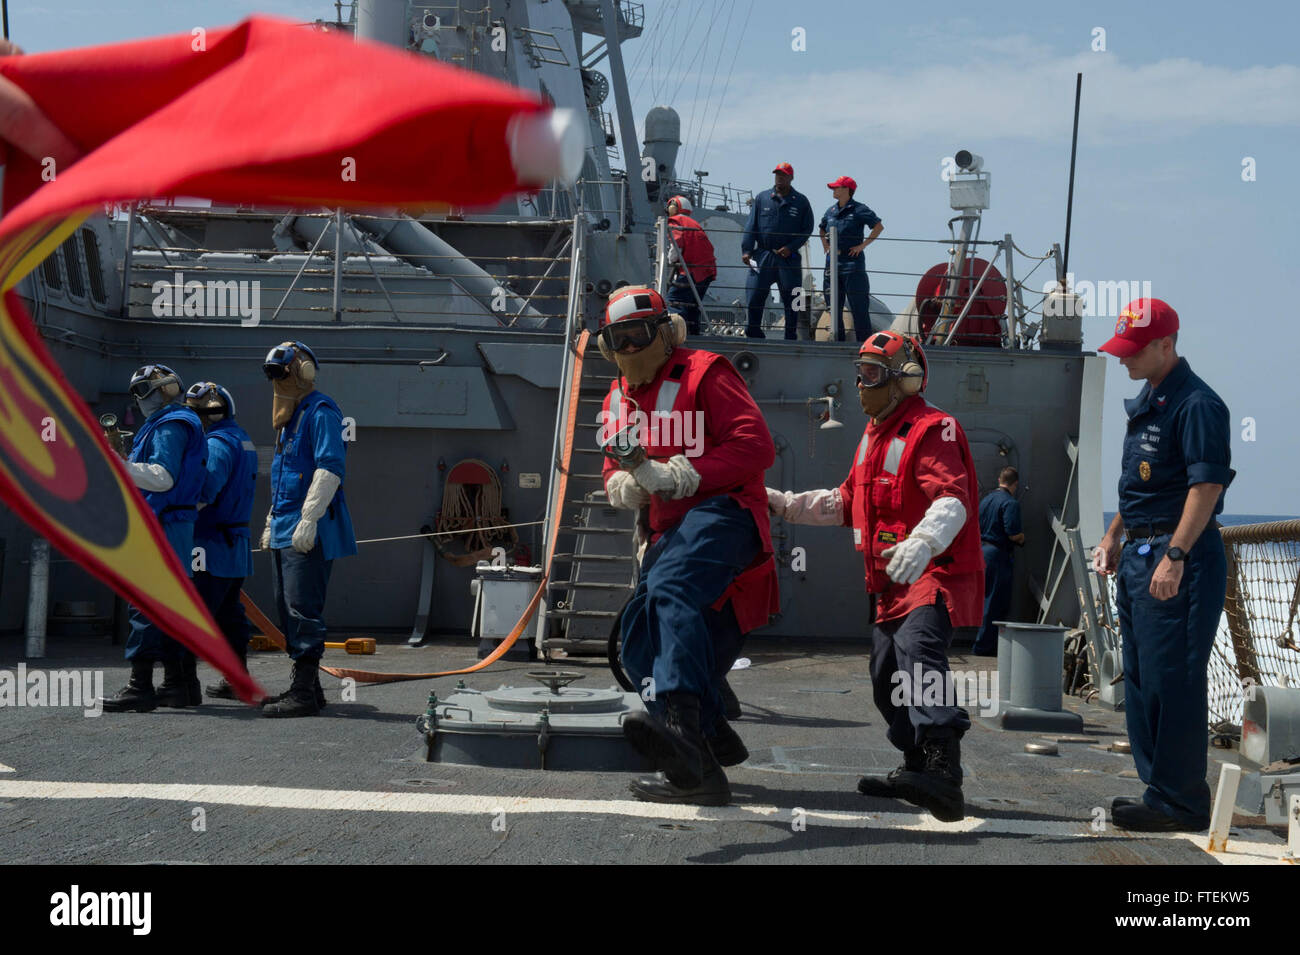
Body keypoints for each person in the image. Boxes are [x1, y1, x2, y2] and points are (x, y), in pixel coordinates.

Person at [767, 331, 983, 821]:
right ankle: (915, 766)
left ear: (904, 379)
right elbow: (847, 501)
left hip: (933, 573)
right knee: (886, 677)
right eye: (859, 373)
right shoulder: (873, 436)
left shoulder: (934, 428)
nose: (861, 385)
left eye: (871, 375)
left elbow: (952, 499)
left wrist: (924, 543)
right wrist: (784, 505)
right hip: (890, 584)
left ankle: (944, 771)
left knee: (919, 651)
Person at [597, 286, 778, 805]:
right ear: (609, 347)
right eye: (619, 339)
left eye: (639, 335)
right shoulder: (617, 398)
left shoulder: (706, 372)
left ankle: (680, 725)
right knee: (633, 642)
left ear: (666, 332)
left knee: (672, 589)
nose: (631, 348)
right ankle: (705, 752)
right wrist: (623, 485)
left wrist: (683, 474)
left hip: (725, 513)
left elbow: (755, 446)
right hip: (668, 531)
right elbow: (614, 464)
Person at [1092, 299, 1233, 832]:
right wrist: (1112, 537)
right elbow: (1142, 486)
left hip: (1178, 561)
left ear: (1165, 346)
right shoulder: (1151, 399)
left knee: (1173, 680)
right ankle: (1160, 793)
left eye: (1132, 351)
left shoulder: (1197, 405)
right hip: (1139, 556)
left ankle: (1182, 800)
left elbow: (1206, 485)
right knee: (1145, 678)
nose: (1123, 361)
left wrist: (1175, 555)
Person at [259, 341, 357, 717]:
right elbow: (285, 477)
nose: (276, 380)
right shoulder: (291, 417)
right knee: (286, 609)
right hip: (285, 524)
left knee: (303, 609)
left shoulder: (320, 411)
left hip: (308, 527)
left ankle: (302, 690)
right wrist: (272, 520)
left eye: (281, 372)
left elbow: (330, 467)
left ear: (303, 371)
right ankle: (310, 690)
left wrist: (309, 517)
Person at [101, 365, 207, 712]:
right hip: (171, 525)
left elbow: (162, 477)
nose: (140, 397)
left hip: (162, 525)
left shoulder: (171, 425)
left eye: (144, 389)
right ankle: (179, 686)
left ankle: (140, 686)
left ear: (166, 388)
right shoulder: (170, 424)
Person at [184, 381, 259, 700]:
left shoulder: (215, 444)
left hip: (209, 544)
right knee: (229, 615)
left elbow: (205, 490)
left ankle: (182, 684)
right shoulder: (242, 440)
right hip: (234, 544)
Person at [741, 162, 814, 339]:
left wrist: (791, 247)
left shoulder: (801, 201)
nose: (779, 178)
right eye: (777, 174)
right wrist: (747, 250)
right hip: (763, 255)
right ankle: (754, 332)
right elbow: (752, 225)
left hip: (789, 258)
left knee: (794, 297)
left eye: (783, 175)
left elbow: (807, 229)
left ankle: (791, 335)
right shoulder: (762, 198)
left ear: (791, 178)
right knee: (754, 295)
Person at [820, 175, 883, 342]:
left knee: (859, 308)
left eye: (837, 187)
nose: (833, 190)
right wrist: (826, 246)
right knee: (834, 308)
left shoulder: (859, 209)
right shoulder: (830, 211)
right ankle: (837, 343)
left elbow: (878, 226)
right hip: (831, 265)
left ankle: (865, 345)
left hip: (852, 265)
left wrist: (862, 246)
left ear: (847, 190)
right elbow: (821, 228)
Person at [972, 466, 1024, 655]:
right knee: (994, 602)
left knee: (984, 600)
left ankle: (982, 642)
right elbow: (1012, 534)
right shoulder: (1010, 503)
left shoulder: (985, 500)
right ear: (1015, 484)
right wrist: (1022, 538)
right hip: (997, 556)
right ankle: (984, 647)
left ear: (999, 480)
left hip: (981, 552)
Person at [665, 195, 717, 335]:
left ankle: (676, 335)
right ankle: (693, 332)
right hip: (706, 271)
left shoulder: (676, 221)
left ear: (674, 207)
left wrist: (670, 260)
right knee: (693, 305)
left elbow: (677, 245)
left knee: (674, 301)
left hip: (691, 270)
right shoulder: (694, 223)